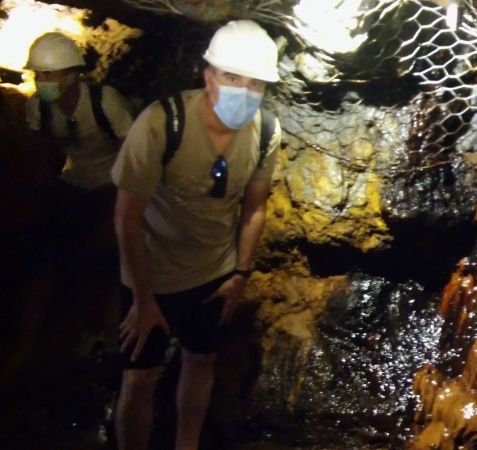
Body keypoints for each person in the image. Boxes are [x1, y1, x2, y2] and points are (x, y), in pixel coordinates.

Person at [111, 20, 282, 450]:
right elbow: (127, 219)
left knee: (200, 361)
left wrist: (240, 273)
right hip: (152, 274)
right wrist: (144, 300)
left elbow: (254, 207)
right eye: (231, 77)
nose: (244, 90)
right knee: (140, 378)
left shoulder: (265, 131)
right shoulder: (160, 124)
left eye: (256, 83)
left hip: (213, 274)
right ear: (209, 77)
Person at [24, 31, 133, 262]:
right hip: (74, 182)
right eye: (37, 75)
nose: (41, 81)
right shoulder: (38, 108)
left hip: (111, 183)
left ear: (72, 75)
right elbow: (40, 155)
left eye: (49, 74)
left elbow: (132, 154)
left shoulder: (104, 101)